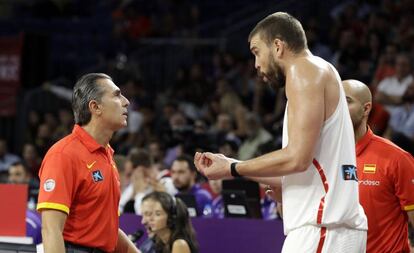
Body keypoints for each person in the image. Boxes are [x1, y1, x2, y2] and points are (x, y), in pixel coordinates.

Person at [194, 12, 367, 252]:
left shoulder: (303, 70)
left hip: (322, 228)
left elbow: (297, 158)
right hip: (332, 228)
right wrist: (232, 164)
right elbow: (307, 166)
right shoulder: (319, 71)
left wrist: (233, 169)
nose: (255, 64)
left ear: (277, 46)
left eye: (256, 52)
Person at [36, 73, 140, 253]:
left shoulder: (106, 154)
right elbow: (51, 230)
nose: (126, 101)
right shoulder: (63, 155)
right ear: (95, 107)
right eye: (116, 95)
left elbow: (108, 230)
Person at [343, 79, 414, 253]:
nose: (339, 108)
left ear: (366, 108)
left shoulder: (397, 159)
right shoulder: (326, 156)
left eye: (347, 101)